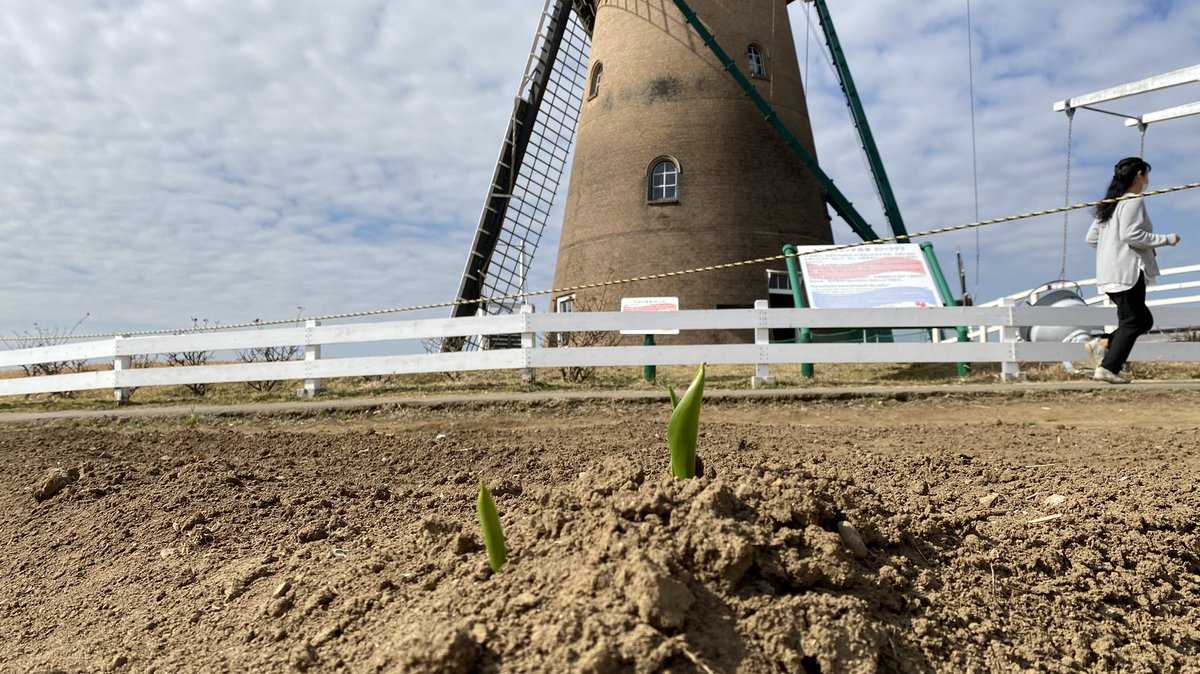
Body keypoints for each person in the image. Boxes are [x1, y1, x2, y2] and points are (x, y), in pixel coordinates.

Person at [1084, 157, 1181, 384]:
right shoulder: (1133, 201)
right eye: (1146, 174)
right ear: (1139, 175)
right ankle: (1108, 368)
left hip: (1109, 274)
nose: (1147, 179)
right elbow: (1132, 235)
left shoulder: (1111, 204)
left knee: (1142, 320)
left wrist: (1112, 249)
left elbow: (1091, 238)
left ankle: (1102, 344)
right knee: (1133, 322)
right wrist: (1167, 239)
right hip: (1127, 272)